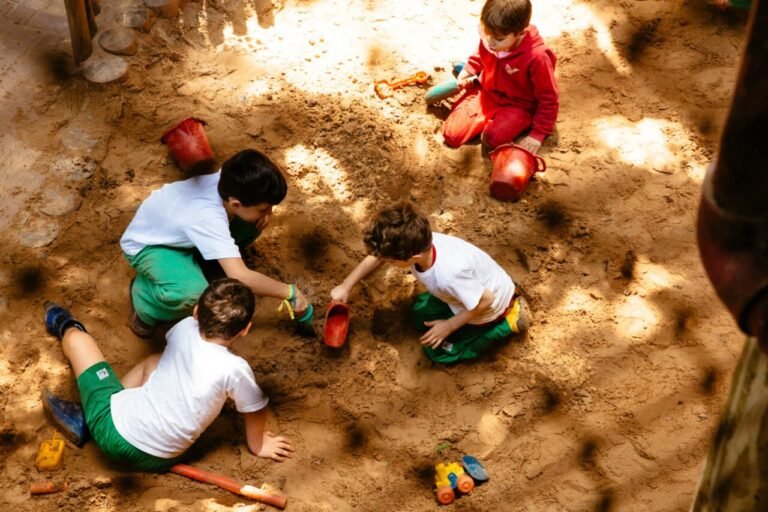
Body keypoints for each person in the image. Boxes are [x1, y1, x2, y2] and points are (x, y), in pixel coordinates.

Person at [41, 278, 294, 471]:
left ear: (195, 313)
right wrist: (258, 444)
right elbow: (256, 407)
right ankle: (94, 418)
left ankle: (85, 415)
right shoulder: (235, 369)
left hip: (114, 431)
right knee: (154, 362)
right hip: (159, 457)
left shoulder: (184, 327)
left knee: (78, 340)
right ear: (246, 329)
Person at [120, 149, 309, 337]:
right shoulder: (207, 216)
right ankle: (145, 302)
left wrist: (260, 213)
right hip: (151, 246)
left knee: (251, 223)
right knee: (193, 293)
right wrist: (289, 292)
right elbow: (241, 277)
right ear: (235, 204)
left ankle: (207, 261)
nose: (269, 213)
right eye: (264, 208)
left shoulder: (230, 182)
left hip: (181, 233)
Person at [330, 202, 530, 363]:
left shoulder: (449, 274)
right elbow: (379, 255)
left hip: (491, 307)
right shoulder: (419, 240)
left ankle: (510, 321)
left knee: (439, 352)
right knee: (419, 314)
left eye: (391, 261)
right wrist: (346, 286)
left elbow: (486, 299)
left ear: (413, 256)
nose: (387, 262)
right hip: (464, 293)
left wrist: (449, 326)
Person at [443, 0, 559, 154]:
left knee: (492, 139)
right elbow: (480, 54)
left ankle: (520, 121)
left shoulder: (537, 58)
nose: (490, 42)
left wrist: (538, 134)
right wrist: (469, 69)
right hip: (488, 92)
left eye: (498, 39)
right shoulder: (492, 36)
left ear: (520, 34)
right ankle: (474, 83)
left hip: (519, 105)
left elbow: (549, 97)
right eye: (486, 34)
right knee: (452, 135)